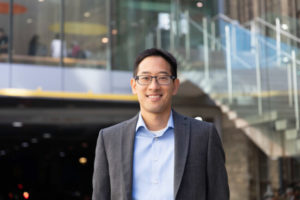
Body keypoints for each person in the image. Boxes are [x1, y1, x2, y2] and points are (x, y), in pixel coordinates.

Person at [92, 48, 230, 200]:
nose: (154, 86)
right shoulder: (110, 139)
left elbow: (219, 194)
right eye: (145, 78)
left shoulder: (204, 135)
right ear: (134, 85)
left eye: (163, 77)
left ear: (175, 85)